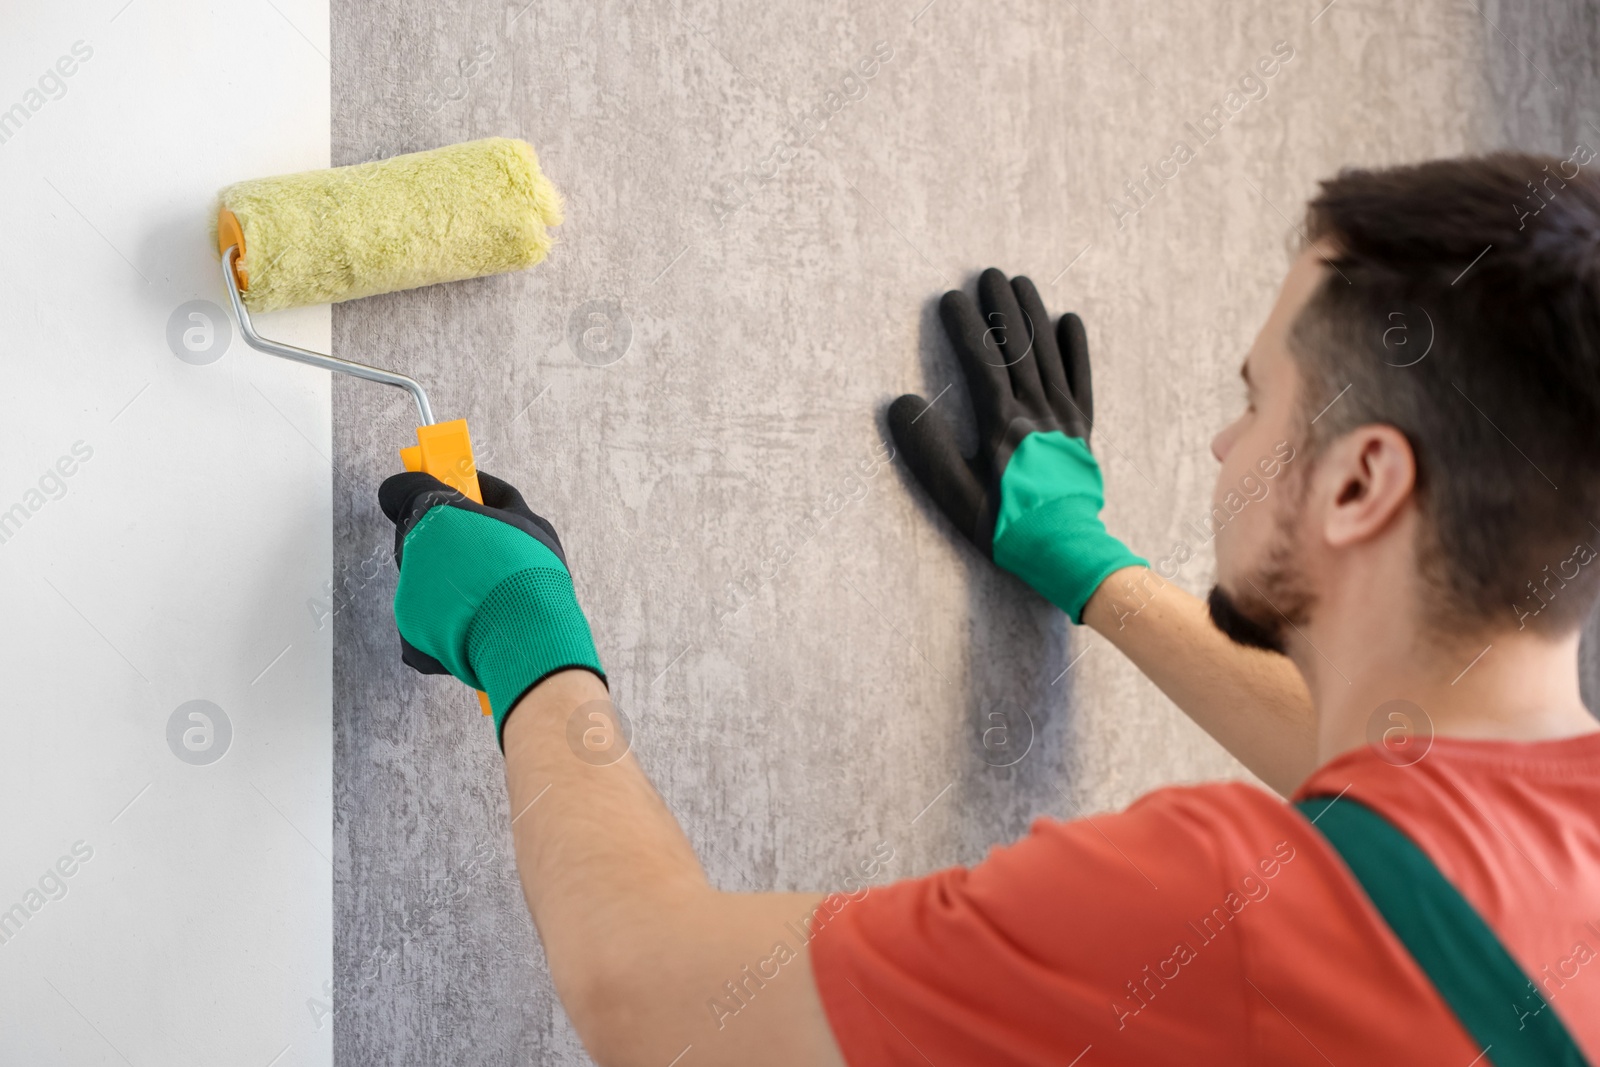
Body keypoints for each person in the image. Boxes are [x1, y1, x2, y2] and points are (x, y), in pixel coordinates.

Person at [376, 153, 1600, 1065]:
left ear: (1358, 480)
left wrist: (522, 628)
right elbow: (1409, 806)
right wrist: (1088, 564)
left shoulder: (1225, 911)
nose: (1225, 442)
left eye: (1259, 396)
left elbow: (646, 991)